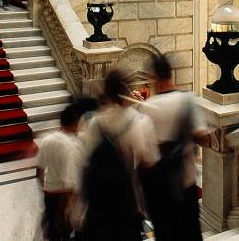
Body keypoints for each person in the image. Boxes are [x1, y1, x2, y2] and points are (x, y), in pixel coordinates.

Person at [80, 69, 158, 241]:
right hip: (126, 202)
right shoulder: (138, 121)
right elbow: (149, 162)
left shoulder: (94, 123)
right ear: (127, 91)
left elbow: (86, 160)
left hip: (99, 204)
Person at [141, 55, 208, 241]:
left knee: (165, 234)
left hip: (160, 188)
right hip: (185, 181)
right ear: (172, 74)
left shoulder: (147, 107)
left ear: (154, 77)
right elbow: (202, 137)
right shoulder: (187, 101)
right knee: (190, 233)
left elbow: (146, 156)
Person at [37, 100, 97, 241]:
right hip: (62, 199)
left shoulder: (47, 139)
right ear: (76, 123)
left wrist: (44, 188)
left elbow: (39, 169)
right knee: (63, 233)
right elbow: (69, 183)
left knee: (51, 232)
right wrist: (66, 209)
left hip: (49, 193)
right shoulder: (72, 146)